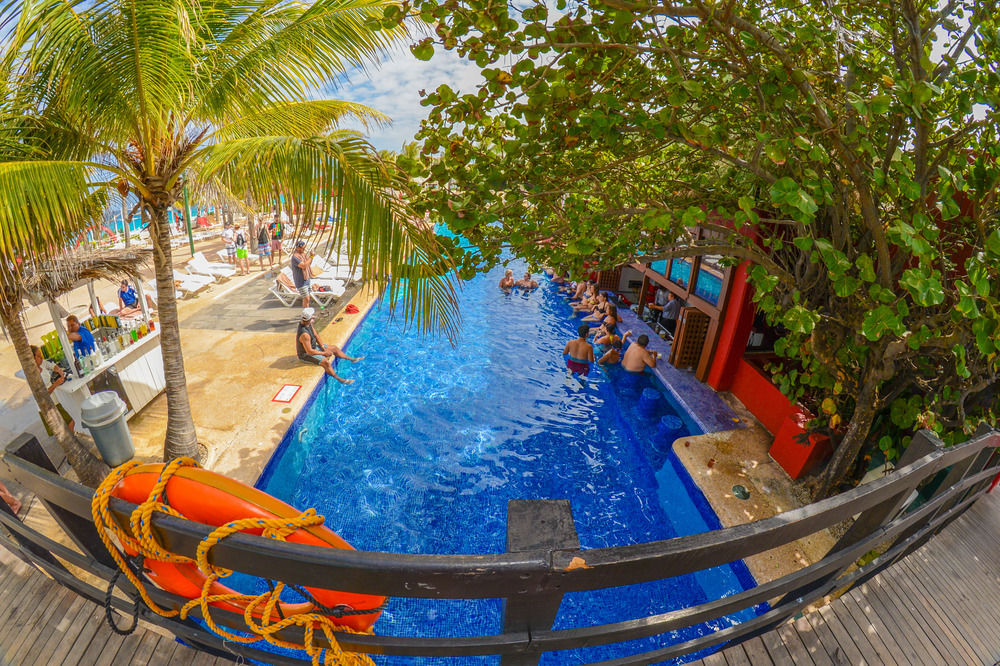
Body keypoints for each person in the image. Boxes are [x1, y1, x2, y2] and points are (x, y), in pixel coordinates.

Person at [296, 308, 363, 384]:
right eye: (312, 317)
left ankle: (352, 359)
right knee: (326, 362)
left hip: (313, 348)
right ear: (308, 319)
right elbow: (309, 351)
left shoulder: (308, 324)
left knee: (334, 348)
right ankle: (340, 379)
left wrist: (323, 348)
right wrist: (324, 353)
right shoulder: (304, 334)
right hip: (306, 355)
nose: (314, 317)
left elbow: (316, 335)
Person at [30, 345, 75, 436]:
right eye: (38, 356)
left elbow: (51, 365)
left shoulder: (42, 363)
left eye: (41, 355)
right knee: (67, 424)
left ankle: (72, 438)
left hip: (54, 401)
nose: (41, 358)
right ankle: (72, 439)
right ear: (32, 359)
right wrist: (56, 384)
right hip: (47, 405)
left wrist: (59, 370)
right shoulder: (32, 376)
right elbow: (42, 395)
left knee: (67, 424)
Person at [290, 241, 314, 308]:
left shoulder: (303, 254)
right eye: (303, 248)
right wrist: (311, 256)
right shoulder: (295, 258)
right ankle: (306, 312)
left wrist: (311, 257)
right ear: (298, 248)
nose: (304, 249)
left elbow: (308, 263)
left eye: (304, 248)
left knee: (307, 299)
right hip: (300, 281)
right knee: (306, 298)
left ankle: (306, 312)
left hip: (307, 278)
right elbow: (303, 266)